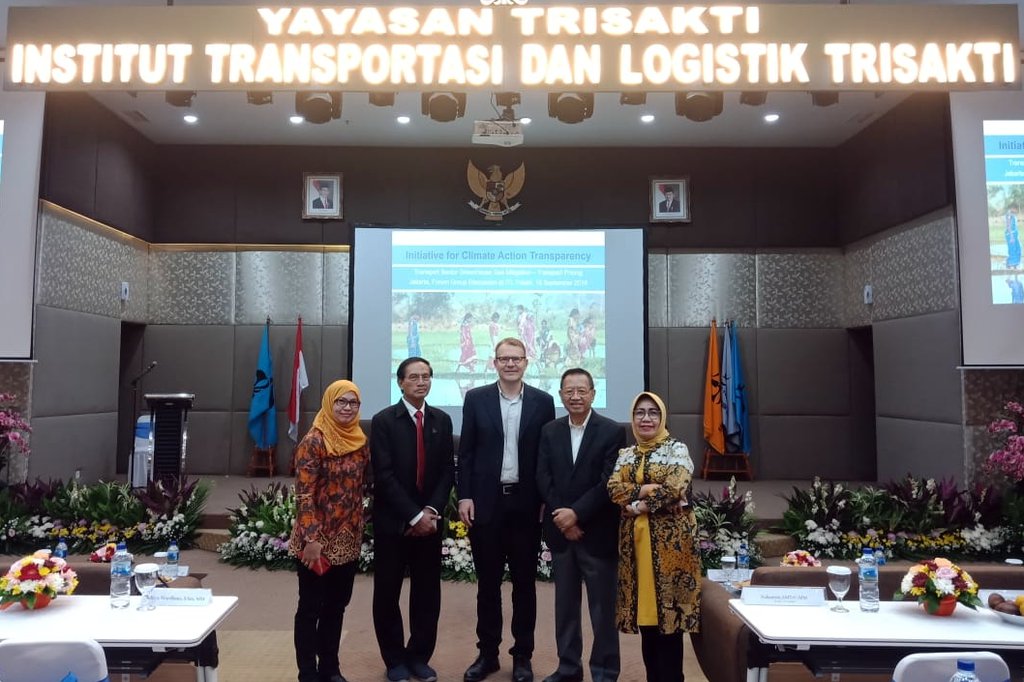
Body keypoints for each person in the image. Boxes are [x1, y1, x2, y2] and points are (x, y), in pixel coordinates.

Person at [457, 337, 557, 682]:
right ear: (494, 363)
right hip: (486, 503)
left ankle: (522, 655)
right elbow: (466, 452)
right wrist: (465, 496)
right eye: (504, 359)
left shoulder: (543, 402)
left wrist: (546, 497)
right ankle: (487, 654)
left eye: (516, 358)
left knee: (524, 585)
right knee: (487, 584)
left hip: (527, 505)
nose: (510, 364)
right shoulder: (475, 398)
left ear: (526, 362)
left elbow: (548, 456)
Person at [536, 368, 626, 682]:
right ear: (561, 394)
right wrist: (564, 519)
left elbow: (608, 482)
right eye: (569, 391)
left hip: (596, 532)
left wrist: (576, 514)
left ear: (592, 393)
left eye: (581, 391)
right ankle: (568, 668)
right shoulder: (549, 431)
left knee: (602, 611)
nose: (575, 396)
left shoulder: (612, 431)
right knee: (565, 608)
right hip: (562, 534)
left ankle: (604, 671)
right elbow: (543, 477)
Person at [370, 357, 455, 682]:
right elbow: (385, 474)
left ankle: (419, 656)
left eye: (426, 376)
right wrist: (414, 515)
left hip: (429, 525)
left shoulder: (442, 420)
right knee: (387, 593)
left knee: (427, 594)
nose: (421, 382)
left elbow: (448, 469)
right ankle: (394, 660)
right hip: (394, 523)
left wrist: (431, 512)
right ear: (401, 383)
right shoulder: (383, 421)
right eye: (414, 377)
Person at [606, 392, 700, 682]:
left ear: (662, 417)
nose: (646, 419)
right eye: (640, 413)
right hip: (637, 549)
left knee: (669, 623)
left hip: (672, 550)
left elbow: (675, 486)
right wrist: (648, 490)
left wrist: (638, 505)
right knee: (647, 620)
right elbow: (612, 489)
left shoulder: (677, 450)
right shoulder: (627, 454)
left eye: (653, 413)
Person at [289, 379, 371, 682]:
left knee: (337, 607)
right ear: (329, 403)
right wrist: (310, 540)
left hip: (348, 540)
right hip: (317, 543)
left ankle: (330, 668)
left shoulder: (360, 440)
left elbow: (363, 485)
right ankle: (307, 672)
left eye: (354, 403)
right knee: (310, 608)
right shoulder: (314, 440)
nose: (347, 408)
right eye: (342, 402)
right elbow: (303, 494)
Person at [1006, 205, 1021, 269]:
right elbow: (1008, 226)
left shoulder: (1013, 215)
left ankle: (1015, 263)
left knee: (1018, 248)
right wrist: (1011, 236)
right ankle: (1009, 263)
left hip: (1015, 235)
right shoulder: (1009, 215)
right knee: (1012, 250)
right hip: (1010, 235)